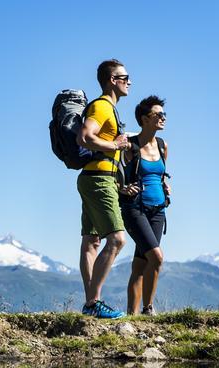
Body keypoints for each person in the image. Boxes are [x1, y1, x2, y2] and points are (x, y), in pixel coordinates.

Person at [76, 60, 133, 320]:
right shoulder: (101, 106)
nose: (129, 81)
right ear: (113, 80)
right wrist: (115, 146)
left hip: (94, 177)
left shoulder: (108, 109)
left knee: (92, 241)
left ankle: (90, 304)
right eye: (125, 77)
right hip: (98, 179)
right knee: (117, 239)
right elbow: (85, 137)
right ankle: (94, 302)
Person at [121, 96, 170, 315]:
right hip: (135, 209)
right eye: (157, 114)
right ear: (144, 119)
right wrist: (122, 188)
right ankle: (148, 309)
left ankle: (132, 317)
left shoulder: (162, 145)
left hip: (158, 210)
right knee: (156, 257)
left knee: (140, 265)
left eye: (164, 114)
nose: (163, 118)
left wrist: (165, 186)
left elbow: (160, 174)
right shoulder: (131, 146)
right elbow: (114, 173)